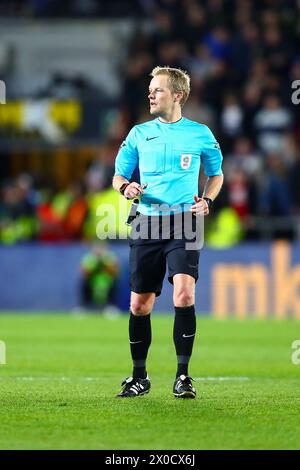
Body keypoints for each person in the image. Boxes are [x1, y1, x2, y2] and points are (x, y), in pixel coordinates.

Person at [112, 66, 223, 398]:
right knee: (139, 305)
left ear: (178, 95)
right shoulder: (138, 134)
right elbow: (118, 175)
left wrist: (207, 199)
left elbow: (216, 175)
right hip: (146, 221)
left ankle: (183, 375)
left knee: (184, 294)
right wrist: (127, 188)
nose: (150, 94)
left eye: (157, 90)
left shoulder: (200, 134)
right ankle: (138, 376)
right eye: (150, 89)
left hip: (184, 221)